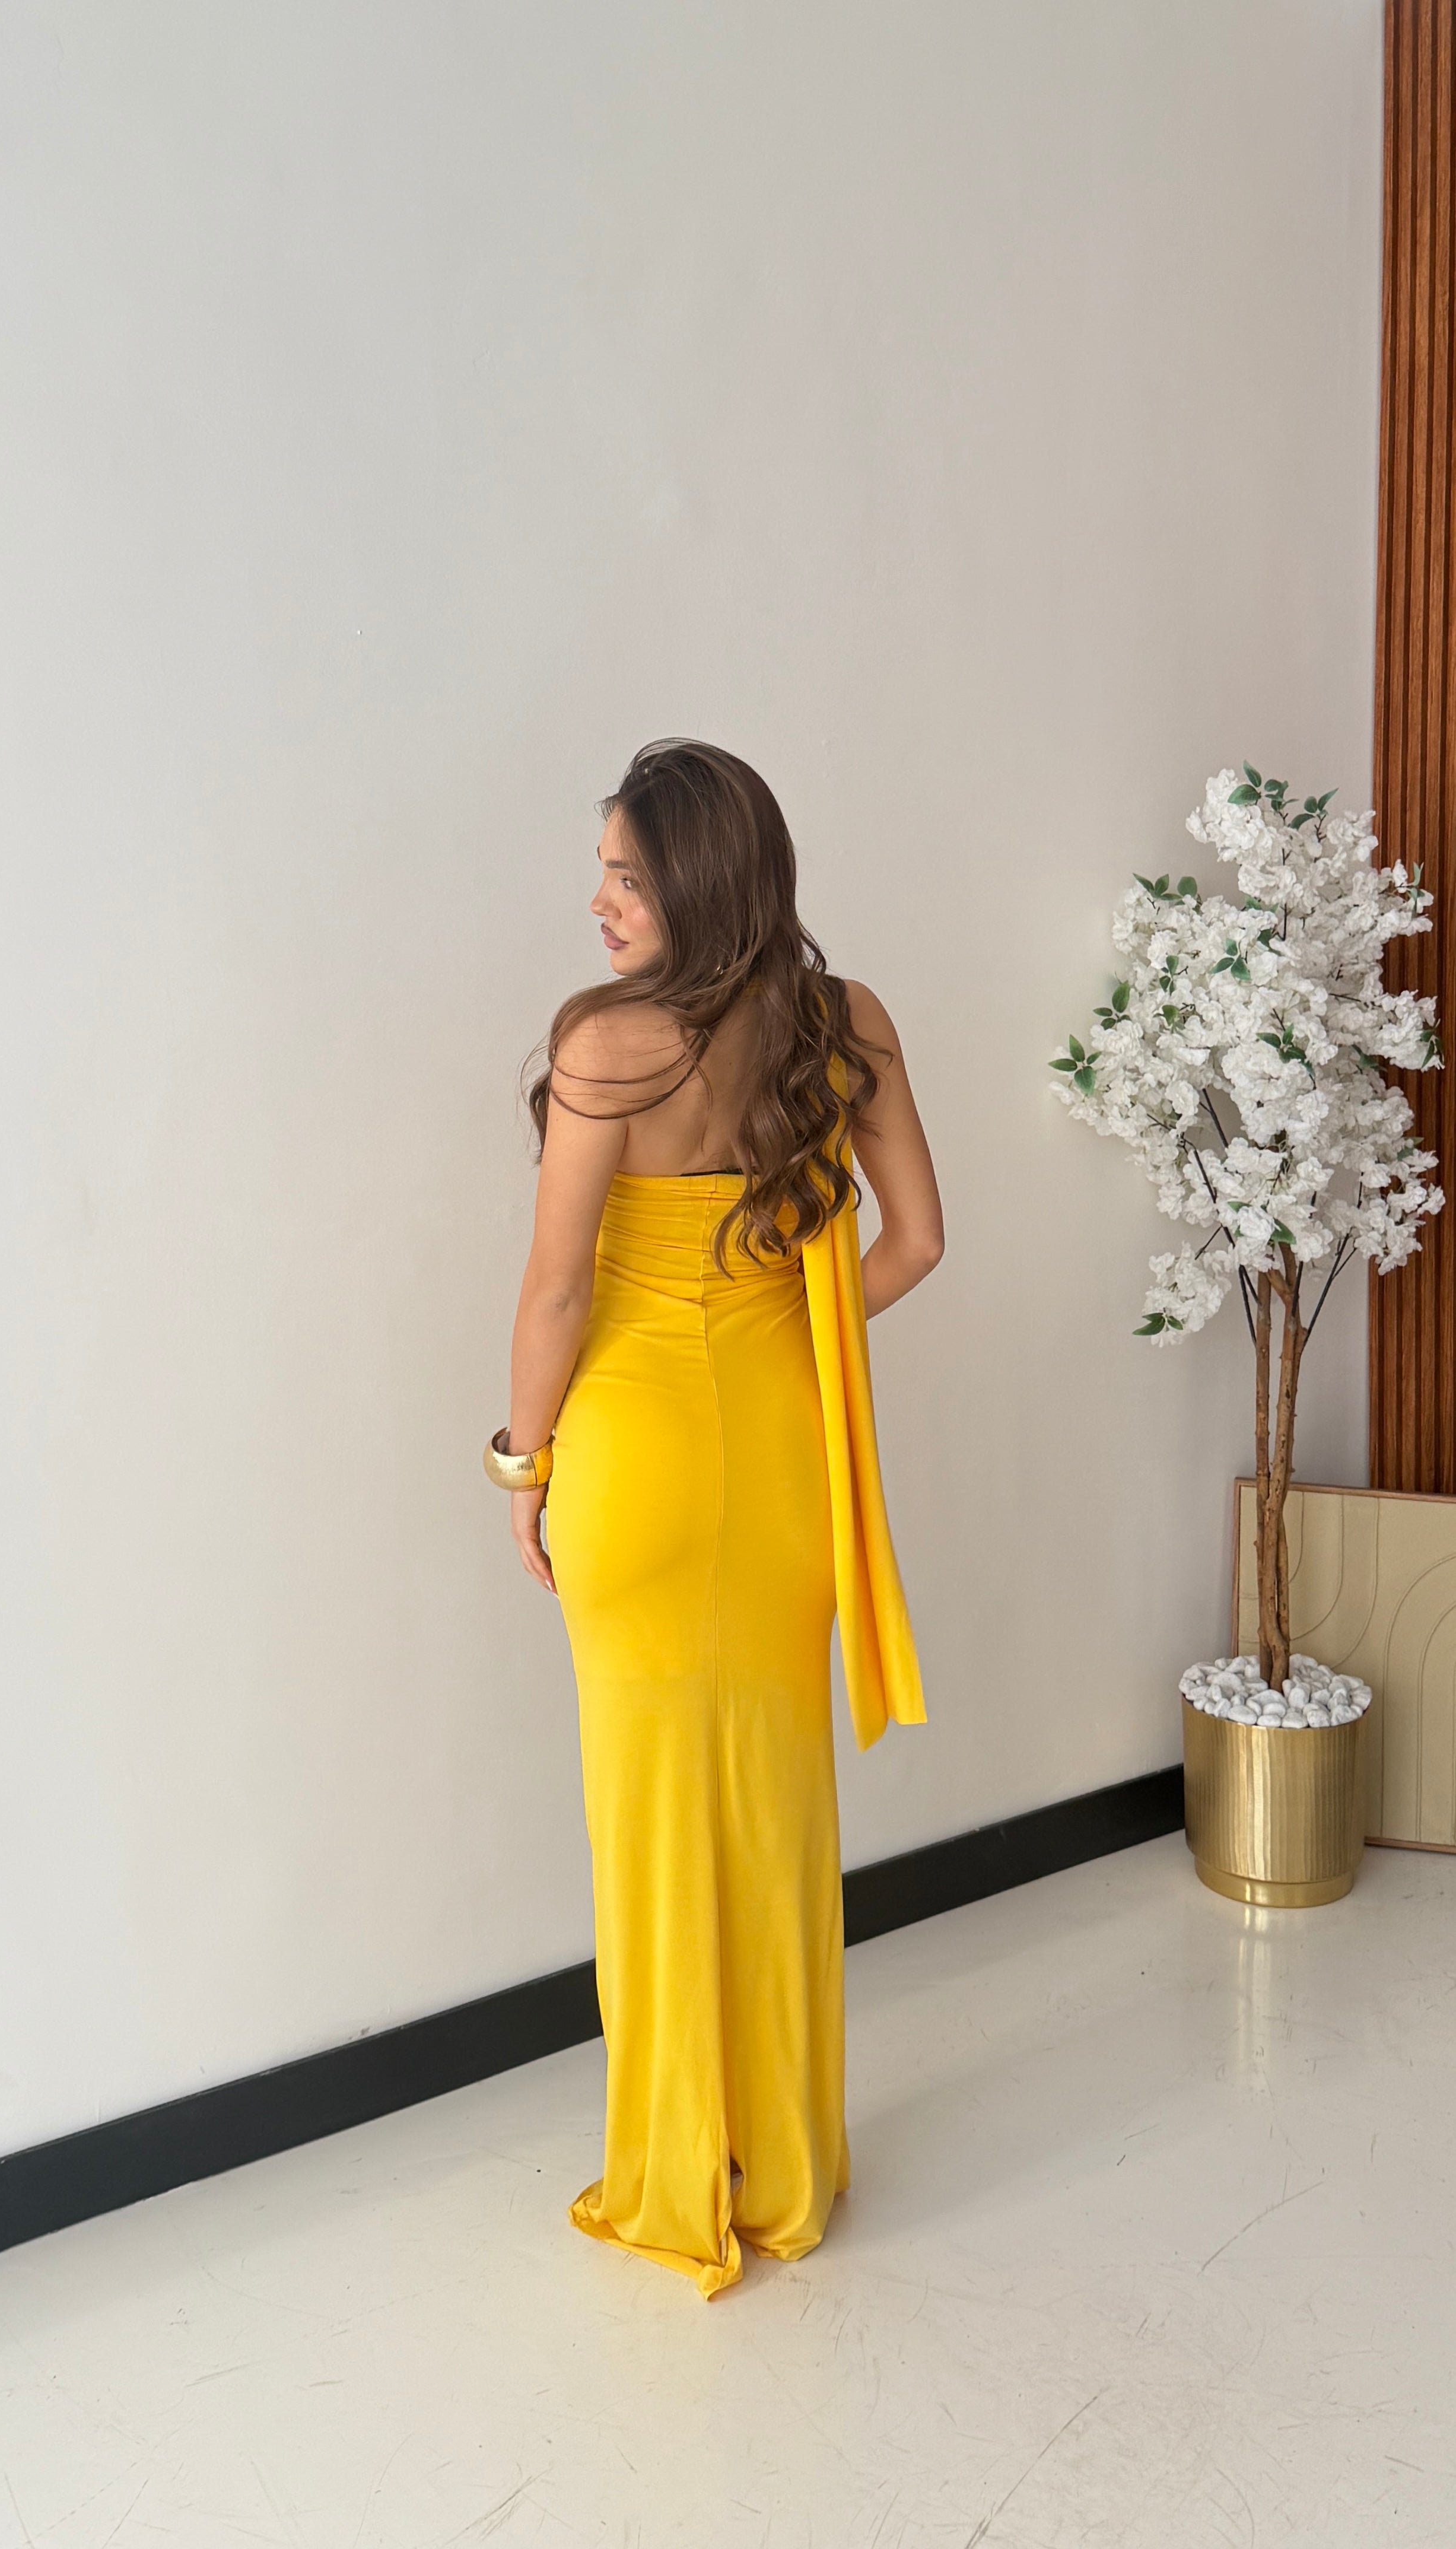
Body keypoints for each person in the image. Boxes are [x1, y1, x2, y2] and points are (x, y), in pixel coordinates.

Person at [485, 739, 944, 2297]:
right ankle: (782, 2163)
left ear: (696, 878)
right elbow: (914, 1241)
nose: (601, 902)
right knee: (773, 1810)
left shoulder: (607, 1046)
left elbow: (556, 1293)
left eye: (626, 874)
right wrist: (783, 1319)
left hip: (633, 1453)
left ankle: (672, 2172)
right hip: (783, 1445)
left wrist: (521, 1463)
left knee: (649, 1822)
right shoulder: (843, 1021)